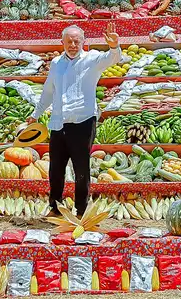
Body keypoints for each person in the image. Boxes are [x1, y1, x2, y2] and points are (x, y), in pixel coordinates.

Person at [26, 21, 120, 218]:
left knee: (81, 168)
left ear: (83, 42)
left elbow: (112, 59)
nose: (73, 45)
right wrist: (35, 114)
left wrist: (113, 46)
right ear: (62, 42)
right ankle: (55, 207)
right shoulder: (56, 63)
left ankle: (81, 210)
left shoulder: (92, 59)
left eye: (77, 41)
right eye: (69, 41)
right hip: (59, 122)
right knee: (56, 169)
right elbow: (48, 91)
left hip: (83, 121)